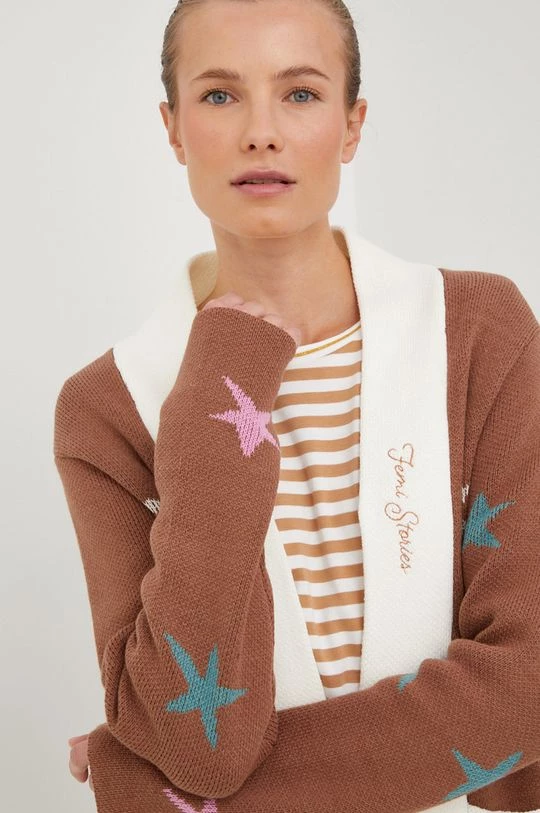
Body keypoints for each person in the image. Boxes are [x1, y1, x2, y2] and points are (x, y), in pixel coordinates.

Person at [57, 1, 540, 811]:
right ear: (173, 129)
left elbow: (526, 683)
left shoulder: (479, 333)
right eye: (219, 95)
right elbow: (200, 741)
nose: (261, 132)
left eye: (301, 93)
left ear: (352, 126)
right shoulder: (108, 410)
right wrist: (222, 386)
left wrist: (145, 788)